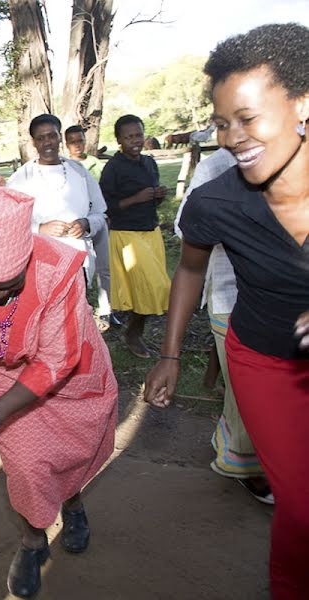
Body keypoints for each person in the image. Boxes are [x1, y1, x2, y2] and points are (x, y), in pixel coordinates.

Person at [145, 23, 309, 599]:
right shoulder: (215, 202)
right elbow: (190, 268)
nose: (232, 138)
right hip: (266, 364)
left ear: (302, 104)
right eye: (220, 123)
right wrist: (169, 355)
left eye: (247, 118)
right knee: (304, 503)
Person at [0, 188, 118, 598]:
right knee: (28, 465)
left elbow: (55, 359)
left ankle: (74, 502)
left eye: (9, 285)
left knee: (70, 452)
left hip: (69, 375)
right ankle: (33, 541)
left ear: (28, 258)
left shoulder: (58, 267)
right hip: (0, 381)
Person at [173, 148, 271, 503]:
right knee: (247, 389)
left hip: (285, 300)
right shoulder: (217, 168)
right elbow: (186, 226)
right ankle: (248, 464)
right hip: (231, 296)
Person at [7, 115, 107, 291]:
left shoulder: (79, 172)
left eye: (52, 136)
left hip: (78, 259)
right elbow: (9, 224)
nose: (47, 142)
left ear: (59, 137)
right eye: (41, 138)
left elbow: (100, 213)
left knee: (76, 313)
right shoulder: (20, 179)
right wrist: (39, 229)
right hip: (40, 263)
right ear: (33, 142)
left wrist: (86, 223)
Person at [99, 114, 171, 357]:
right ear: (119, 140)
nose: (134, 141)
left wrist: (158, 195)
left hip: (151, 230)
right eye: (128, 137)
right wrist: (135, 199)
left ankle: (133, 332)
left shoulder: (149, 163)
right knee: (154, 286)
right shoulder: (113, 168)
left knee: (147, 289)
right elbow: (105, 206)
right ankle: (133, 334)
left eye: (138, 135)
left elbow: (153, 201)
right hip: (127, 235)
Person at [65, 125, 116, 329]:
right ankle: (80, 309)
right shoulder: (65, 166)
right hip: (76, 224)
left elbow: (104, 191)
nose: (78, 145)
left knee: (104, 266)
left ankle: (106, 309)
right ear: (66, 145)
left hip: (97, 217)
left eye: (81, 141)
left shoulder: (95, 164)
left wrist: (105, 215)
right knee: (82, 267)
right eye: (73, 142)